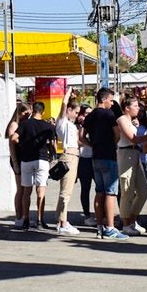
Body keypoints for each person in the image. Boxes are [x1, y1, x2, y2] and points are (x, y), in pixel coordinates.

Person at [82, 89, 126, 240]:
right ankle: (110, 228)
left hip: (96, 157)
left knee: (99, 191)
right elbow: (117, 134)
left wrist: (92, 145)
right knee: (110, 193)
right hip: (108, 156)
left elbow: (81, 136)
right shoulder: (109, 115)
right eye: (111, 100)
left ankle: (99, 226)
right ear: (105, 99)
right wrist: (112, 144)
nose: (112, 103)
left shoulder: (90, 115)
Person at [12, 100, 57, 231]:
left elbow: (13, 138)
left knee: (26, 191)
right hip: (42, 159)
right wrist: (52, 154)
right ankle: (39, 219)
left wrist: (22, 144)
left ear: (33, 110)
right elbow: (53, 144)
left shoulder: (25, 124)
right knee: (41, 190)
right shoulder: (48, 126)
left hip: (26, 160)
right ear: (42, 111)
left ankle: (26, 219)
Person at [114, 96, 147, 235]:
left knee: (143, 191)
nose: (138, 108)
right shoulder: (122, 120)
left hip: (135, 154)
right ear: (127, 108)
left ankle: (132, 220)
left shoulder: (133, 121)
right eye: (135, 105)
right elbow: (133, 139)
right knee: (127, 191)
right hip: (126, 154)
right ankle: (125, 223)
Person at [52, 97, 82, 234]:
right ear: (69, 110)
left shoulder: (71, 125)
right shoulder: (62, 123)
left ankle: (61, 221)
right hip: (69, 156)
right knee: (66, 192)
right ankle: (63, 223)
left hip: (74, 155)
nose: (77, 115)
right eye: (75, 112)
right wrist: (67, 94)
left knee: (66, 190)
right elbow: (63, 106)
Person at [3, 102, 28, 228]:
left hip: (22, 158)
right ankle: (19, 216)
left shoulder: (22, 124)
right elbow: (12, 146)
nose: (27, 116)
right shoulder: (14, 125)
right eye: (25, 113)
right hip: (16, 159)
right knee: (20, 189)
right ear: (19, 112)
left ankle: (23, 215)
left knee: (24, 188)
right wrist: (15, 163)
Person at [75, 105, 94, 224]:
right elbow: (77, 141)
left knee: (100, 188)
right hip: (84, 160)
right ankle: (87, 215)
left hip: (95, 159)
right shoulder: (77, 127)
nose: (88, 116)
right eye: (86, 113)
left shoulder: (94, 125)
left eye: (90, 114)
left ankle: (100, 213)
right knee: (85, 188)